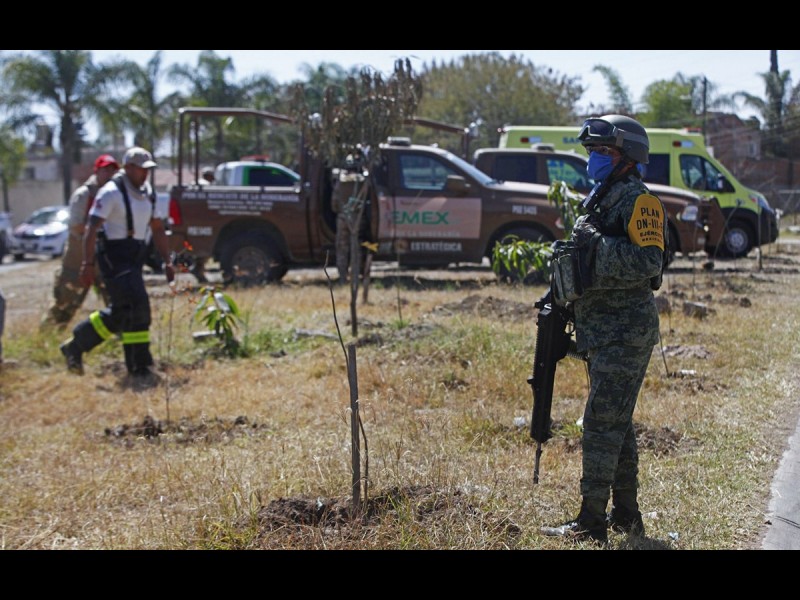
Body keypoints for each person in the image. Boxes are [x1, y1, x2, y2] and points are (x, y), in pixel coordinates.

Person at [540, 115, 667, 545]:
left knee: (599, 424)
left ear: (626, 157)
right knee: (618, 424)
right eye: (591, 151)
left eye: (603, 151)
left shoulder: (639, 201)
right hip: (602, 332)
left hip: (625, 333)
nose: (593, 158)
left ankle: (591, 521)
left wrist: (596, 247)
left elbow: (649, 263)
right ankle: (627, 516)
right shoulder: (601, 197)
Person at [59, 147, 175, 380]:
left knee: (125, 312)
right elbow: (91, 229)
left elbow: (157, 228)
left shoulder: (148, 193)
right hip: (114, 256)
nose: (145, 174)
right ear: (128, 168)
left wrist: (167, 260)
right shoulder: (110, 193)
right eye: (141, 169)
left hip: (135, 256)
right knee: (136, 306)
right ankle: (139, 364)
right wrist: (87, 264)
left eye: (148, 170)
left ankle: (79, 346)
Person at [41, 154, 119, 329]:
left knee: (116, 301)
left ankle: (117, 336)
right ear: (96, 171)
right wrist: (99, 231)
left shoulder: (115, 194)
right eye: (105, 170)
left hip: (105, 258)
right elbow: (76, 226)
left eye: (112, 170)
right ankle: (47, 335)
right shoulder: (84, 194)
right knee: (65, 304)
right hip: (78, 258)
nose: (109, 174)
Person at [331, 153, 366, 284]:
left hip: (342, 218)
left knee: (342, 248)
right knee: (356, 248)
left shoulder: (341, 182)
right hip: (357, 218)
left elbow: (334, 203)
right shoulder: (362, 182)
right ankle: (355, 276)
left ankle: (343, 277)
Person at [190, 168, 215, 283]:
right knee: (206, 246)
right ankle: (198, 269)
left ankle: (198, 269)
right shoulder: (206, 186)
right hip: (203, 220)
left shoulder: (194, 184)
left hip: (193, 219)